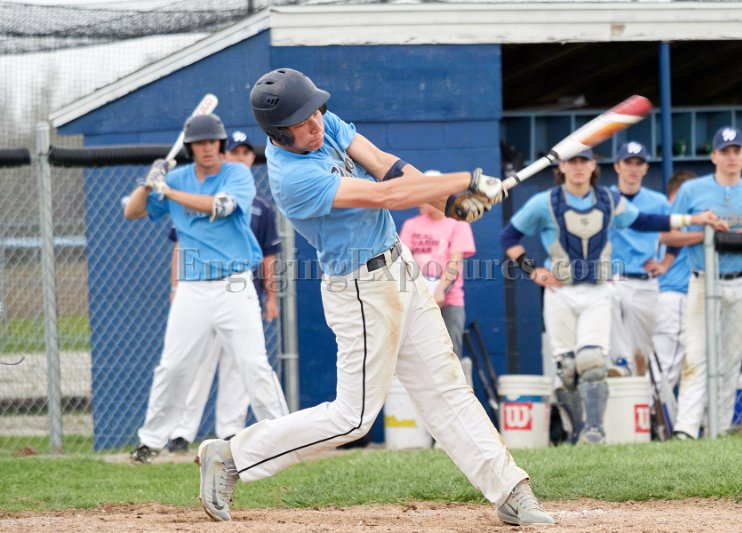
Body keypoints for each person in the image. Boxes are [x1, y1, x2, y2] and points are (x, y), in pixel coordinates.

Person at [194, 67, 553, 527]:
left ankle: (510, 490)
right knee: (354, 417)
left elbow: (387, 165)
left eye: (316, 112)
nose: (315, 124)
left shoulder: (322, 122)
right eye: (302, 122)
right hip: (360, 290)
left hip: (400, 267)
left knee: (446, 388)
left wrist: (448, 203)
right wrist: (464, 180)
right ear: (279, 135)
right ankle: (231, 456)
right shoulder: (293, 178)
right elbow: (388, 195)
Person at [500, 149, 719, 445]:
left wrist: (694, 218)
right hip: (560, 292)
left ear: (593, 165)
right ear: (561, 167)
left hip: (598, 290)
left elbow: (645, 221)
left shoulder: (609, 200)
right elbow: (508, 236)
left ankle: (595, 430)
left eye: (584, 161)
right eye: (572, 162)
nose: (578, 167)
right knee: (567, 369)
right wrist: (532, 270)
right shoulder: (545, 202)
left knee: (592, 362)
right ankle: (576, 430)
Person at [123, 114, 288, 464]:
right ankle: (150, 441)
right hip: (192, 288)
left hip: (234, 285)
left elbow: (220, 206)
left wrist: (167, 191)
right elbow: (132, 212)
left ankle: (284, 437)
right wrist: (147, 184)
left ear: (220, 144)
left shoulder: (236, 174)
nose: (207, 148)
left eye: (213, 141)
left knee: (253, 365)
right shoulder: (177, 177)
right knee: (173, 367)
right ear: (191, 148)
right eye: (200, 143)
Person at [165, 131, 287, 454]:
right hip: (201, 289)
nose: (241, 158)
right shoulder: (195, 196)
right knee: (197, 362)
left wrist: (271, 298)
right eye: (235, 152)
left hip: (240, 290)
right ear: (224, 156)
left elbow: (270, 256)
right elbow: (180, 245)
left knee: (240, 364)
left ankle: (231, 430)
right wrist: (176, 285)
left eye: (247, 153)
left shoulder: (261, 204)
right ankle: (182, 431)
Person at [664, 127, 742, 440]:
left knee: (731, 359)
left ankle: (720, 428)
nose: (731, 157)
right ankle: (686, 429)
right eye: (725, 152)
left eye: (736, 151)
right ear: (714, 156)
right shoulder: (692, 190)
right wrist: (705, 235)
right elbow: (667, 234)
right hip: (704, 279)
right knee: (697, 355)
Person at [398, 176, 476, 384]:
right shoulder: (411, 225)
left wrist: (440, 290)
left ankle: (458, 388)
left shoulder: (458, 223)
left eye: (423, 195)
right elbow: (404, 261)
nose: (418, 200)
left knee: (449, 354)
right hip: (418, 299)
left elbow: (455, 260)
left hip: (448, 300)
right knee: (418, 355)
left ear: (437, 196)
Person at [608, 142, 670, 377]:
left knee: (641, 352)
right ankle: (619, 366)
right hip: (614, 279)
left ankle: (642, 395)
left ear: (645, 168)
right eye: (628, 163)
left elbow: (674, 235)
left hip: (645, 281)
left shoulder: (658, 201)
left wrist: (666, 263)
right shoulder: (604, 197)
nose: (633, 168)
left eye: (638, 163)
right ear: (617, 166)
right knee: (615, 352)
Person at [651, 171, 697, 395]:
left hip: (658, 297)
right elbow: (667, 236)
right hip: (672, 297)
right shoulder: (675, 218)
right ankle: (648, 413)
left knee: (675, 368)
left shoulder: (656, 215)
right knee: (666, 370)